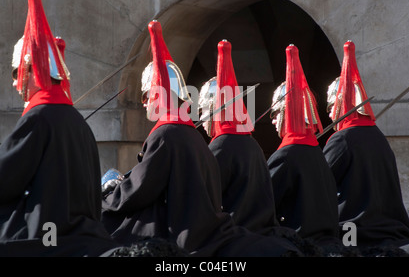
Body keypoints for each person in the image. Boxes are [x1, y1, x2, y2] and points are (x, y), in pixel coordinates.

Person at [100, 20, 303, 257]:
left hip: (188, 233)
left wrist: (106, 199)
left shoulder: (167, 134)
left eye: (146, 95)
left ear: (157, 93)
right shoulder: (192, 135)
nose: (144, 102)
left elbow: (140, 190)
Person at [0, 0, 120, 257]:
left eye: (16, 72)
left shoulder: (38, 116)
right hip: (84, 230)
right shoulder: (77, 120)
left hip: (47, 232)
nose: (14, 81)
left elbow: (1, 183)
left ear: (31, 69)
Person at [323, 40, 409, 255]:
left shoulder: (341, 139)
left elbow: (320, 185)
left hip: (354, 230)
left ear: (340, 105)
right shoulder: (379, 136)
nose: (330, 114)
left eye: (331, 107)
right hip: (393, 228)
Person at [198, 39, 279, 236]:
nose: (200, 118)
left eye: (202, 110)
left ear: (213, 108)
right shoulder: (252, 143)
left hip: (234, 235)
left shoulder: (219, 146)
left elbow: (205, 200)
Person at [267, 44, 340, 247]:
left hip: (300, 244)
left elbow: (265, 204)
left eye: (275, 114)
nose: (273, 121)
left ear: (286, 112)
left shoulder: (285, 155)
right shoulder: (316, 151)